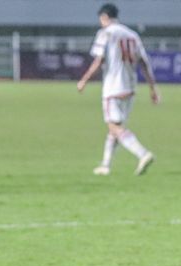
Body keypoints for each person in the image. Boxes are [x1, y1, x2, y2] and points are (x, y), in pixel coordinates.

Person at [77, 3, 158, 176]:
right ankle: (106, 165)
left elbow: (98, 61)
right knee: (116, 128)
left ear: (104, 17)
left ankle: (143, 154)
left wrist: (84, 80)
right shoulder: (132, 35)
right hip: (129, 87)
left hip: (113, 87)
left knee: (114, 127)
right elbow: (144, 62)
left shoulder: (106, 33)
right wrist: (153, 88)